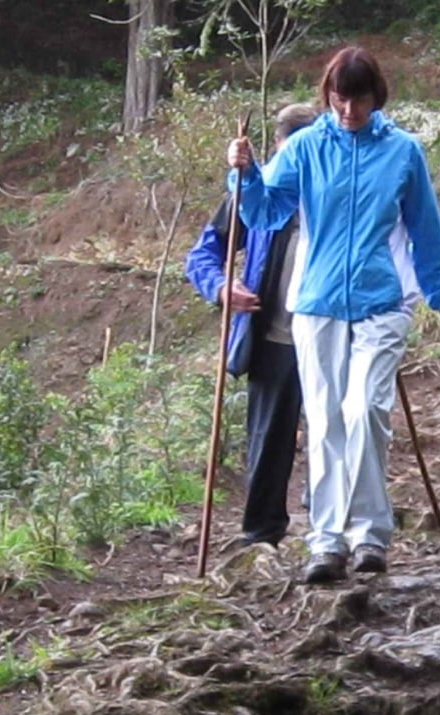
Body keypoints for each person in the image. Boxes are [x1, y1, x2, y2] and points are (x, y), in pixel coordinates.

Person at [225, 47, 440, 585]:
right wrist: (244, 174)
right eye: (338, 100)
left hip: (380, 303)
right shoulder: (308, 147)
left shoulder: (402, 152)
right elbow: (266, 211)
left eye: (357, 100)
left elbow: (426, 229)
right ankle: (328, 541)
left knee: (365, 412)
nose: (347, 111)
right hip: (317, 304)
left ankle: (370, 535)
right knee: (328, 420)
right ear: (327, 96)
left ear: (375, 97)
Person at [186, 104, 319, 550]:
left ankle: (327, 528)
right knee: (267, 438)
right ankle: (261, 535)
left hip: (331, 329)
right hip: (273, 335)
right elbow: (202, 256)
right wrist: (223, 288)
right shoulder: (251, 193)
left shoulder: (337, 192)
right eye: (285, 153)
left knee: (332, 430)